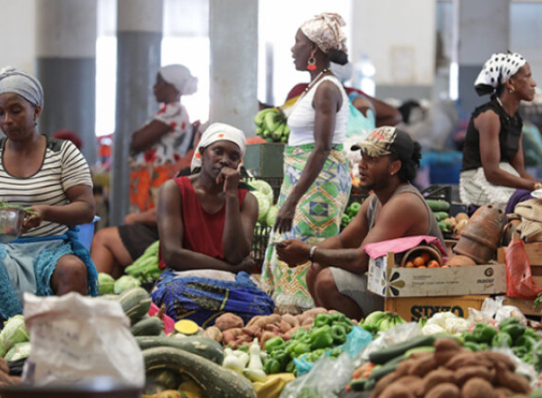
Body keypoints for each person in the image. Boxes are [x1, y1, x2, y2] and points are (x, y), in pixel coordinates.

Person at [276, 127, 444, 320]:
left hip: (412, 296)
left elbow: (361, 260)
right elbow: (342, 241)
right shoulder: (375, 200)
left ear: (394, 167)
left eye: (371, 159)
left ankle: (357, 331)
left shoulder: (404, 203)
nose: (361, 165)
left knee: (327, 279)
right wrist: (305, 255)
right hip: (387, 284)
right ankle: (332, 328)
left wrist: (308, 252)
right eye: (362, 157)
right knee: (316, 269)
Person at [260, 13, 352, 314]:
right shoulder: (316, 86)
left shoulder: (326, 88)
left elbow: (322, 148)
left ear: (313, 50)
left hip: (317, 187)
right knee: (288, 248)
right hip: (304, 182)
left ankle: (302, 315)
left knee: (298, 251)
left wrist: (292, 201)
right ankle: (290, 319)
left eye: (298, 42)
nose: (292, 49)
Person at [151, 123, 274, 325]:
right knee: (176, 297)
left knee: (261, 306)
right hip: (183, 278)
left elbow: (235, 254)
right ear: (202, 152)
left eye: (233, 157)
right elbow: (172, 255)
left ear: (239, 163)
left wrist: (231, 195)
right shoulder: (174, 190)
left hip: (229, 281)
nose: (224, 160)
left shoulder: (246, 200)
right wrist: (229, 267)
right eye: (217, 151)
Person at [0, 68, 98, 320]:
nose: (6, 120)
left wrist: (47, 212)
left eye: (15, 110)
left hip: (51, 247)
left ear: (36, 109)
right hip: (3, 249)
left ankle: (63, 346)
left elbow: (87, 209)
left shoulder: (62, 153)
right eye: (0, 113)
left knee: (73, 269)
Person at [459, 52, 542, 211]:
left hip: (502, 183)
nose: (533, 83)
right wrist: (533, 186)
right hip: (479, 184)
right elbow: (491, 172)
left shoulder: (515, 120)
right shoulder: (489, 116)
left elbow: (519, 171)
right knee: (528, 207)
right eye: (527, 77)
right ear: (510, 83)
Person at [129, 64, 198, 213]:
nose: (154, 88)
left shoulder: (173, 111)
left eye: (158, 83)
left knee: (150, 224)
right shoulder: (171, 111)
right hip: (155, 176)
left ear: (171, 86)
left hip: (158, 178)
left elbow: (137, 141)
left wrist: (136, 137)